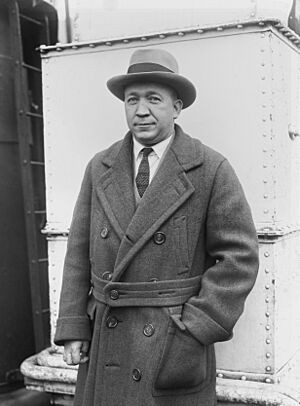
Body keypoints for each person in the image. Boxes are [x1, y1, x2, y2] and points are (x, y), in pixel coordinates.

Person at [54, 48, 259, 406]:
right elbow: (78, 253)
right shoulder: (98, 167)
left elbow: (238, 259)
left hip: (171, 339)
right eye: (132, 100)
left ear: (176, 107)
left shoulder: (210, 168)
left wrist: (195, 329)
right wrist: (73, 326)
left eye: (154, 99)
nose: (141, 110)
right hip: (108, 335)